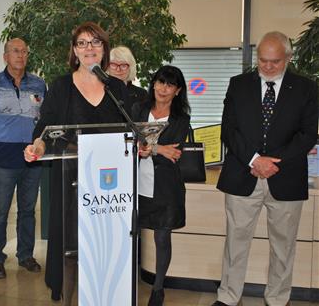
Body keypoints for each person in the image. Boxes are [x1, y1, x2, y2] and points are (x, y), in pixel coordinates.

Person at [24, 22, 132, 302]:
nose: (89, 48)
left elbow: (128, 131)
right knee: (72, 243)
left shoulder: (117, 88)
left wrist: (139, 144)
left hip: (108, 178)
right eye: (82, 43)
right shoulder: (61, 86)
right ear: (74, 50)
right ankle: (70, 296)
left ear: (104, 49)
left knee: (105, 243)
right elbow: (45, 127)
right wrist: (37, 145)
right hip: (71, 173)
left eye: (95, 42)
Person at [212, 31, 318, 306]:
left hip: (285, 176)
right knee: (235, 242)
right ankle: (228, 297)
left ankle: (277, 299)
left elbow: (308, 135)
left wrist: (272, 162)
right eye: (263, 61)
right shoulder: (239, 84)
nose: (268, 67)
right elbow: (228, 129)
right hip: (243, 174)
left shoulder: (306, 88)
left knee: (283, 247)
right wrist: (254, 160)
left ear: (289, 58)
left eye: (275, 62)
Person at [0, 38, 46, 279]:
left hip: (33, 158)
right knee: (0, 210)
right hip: (3, 159)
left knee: (27, 210)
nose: (21, 56)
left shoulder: (39, 84)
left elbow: (45, 119)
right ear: (5, 56)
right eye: (15, 51)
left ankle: (25, 255)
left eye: (24, 52)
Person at [133, 65, 191, 306]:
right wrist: (158, 149)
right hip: (136, 183)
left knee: (162, 238)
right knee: (132, 235)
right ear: (153, 83)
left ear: (177, 91)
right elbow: (129, 142)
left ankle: (158, 289)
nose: (163, 88)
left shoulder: (181, 119)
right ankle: (127, 281)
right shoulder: (138, 109)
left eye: (169, 85)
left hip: (165, 188)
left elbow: (174, 153)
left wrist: (149, 148)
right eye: (160, 82)